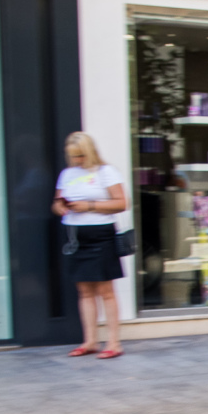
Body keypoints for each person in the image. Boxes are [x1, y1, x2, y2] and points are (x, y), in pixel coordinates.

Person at [53, 132, 129, 358]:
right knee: (84, 290)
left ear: (91, 152)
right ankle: (90, 341)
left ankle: (114, 343)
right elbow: (57, 203)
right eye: (73, 156)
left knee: (106, 290)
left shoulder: (106, 172)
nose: (78, 160)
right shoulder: (66, 174)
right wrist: (61, 207)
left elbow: (122, 203)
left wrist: (88, 205)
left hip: (100, 235)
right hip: (75, 235)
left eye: (81, 155)